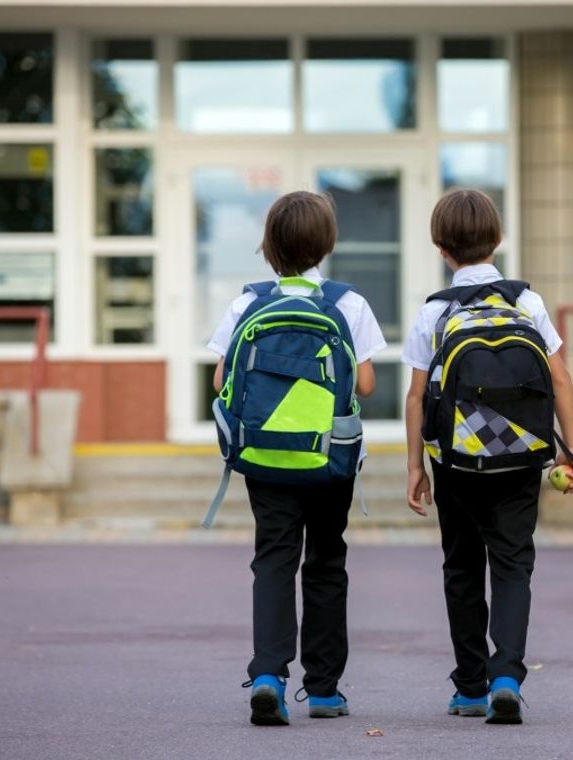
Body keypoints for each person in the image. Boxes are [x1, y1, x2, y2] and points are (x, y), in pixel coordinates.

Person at [401, 189, 573, 725]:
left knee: (461, 565)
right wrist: (568, 453)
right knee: (512, 563)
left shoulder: (434, 311)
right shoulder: (526, 302)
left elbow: (416, 397)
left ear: (441, 249)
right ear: (499, 241)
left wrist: (416, 467)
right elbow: (560, 377)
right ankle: (508, 675)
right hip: (522, 457)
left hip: (455, 460)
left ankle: (470, 688)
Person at [207, 191, 386, 726]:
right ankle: (325, 690)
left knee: (274, 559)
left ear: (268, 247)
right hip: (329, 459)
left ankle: (267, 675)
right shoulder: (347, 304)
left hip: (264, 457)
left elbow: (221, 380)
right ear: (327, 245)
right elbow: (369, 383)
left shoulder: (248, 304)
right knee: (327, 562)